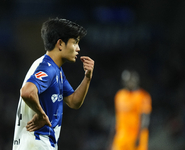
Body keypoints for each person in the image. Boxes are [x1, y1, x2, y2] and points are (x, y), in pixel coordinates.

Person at [12, 17, 94, 150]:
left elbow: (73, 101)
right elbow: (27, 92)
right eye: (75, 43)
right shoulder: (47, 68)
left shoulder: (56, 70)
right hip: (36, 142)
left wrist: (87, 77)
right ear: (60, 44)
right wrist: (41, 115)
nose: (78, 48)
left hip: (37, 143)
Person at [111, 70, 152, 150]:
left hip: (136, 136)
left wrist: (139, 138)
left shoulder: (143, 96)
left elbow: (145, 119)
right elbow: (117, 118)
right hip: (122, 136)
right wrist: (111, 140)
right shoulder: (120, 96)